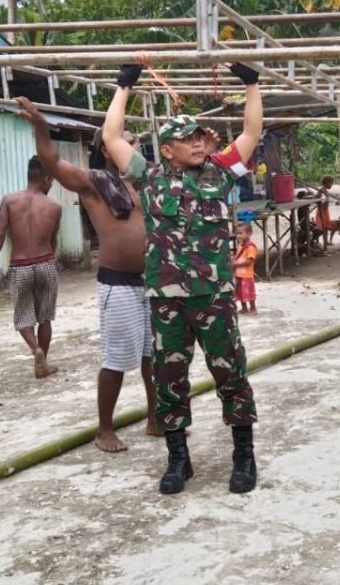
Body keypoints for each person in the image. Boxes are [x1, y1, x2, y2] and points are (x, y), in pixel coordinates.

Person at [103, 60, 262, 495]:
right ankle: (178, 459)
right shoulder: (149, 177)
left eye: (199, 136)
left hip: (213, 296)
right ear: (167, 149)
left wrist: (251, 84)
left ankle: (243, 456)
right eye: (186, 138)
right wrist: (124, 85)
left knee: (231, 372)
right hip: (167, 298)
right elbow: (111, 137)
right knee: (168, 379)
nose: (197, 143)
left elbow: (250, 135)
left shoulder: (220, 173)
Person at [12, 96, 160, 454]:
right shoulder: (94, 182)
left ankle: (157, 417)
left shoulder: (143, 182)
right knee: (117, 360)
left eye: (134, 140)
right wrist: (40, 126)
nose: (134, 145)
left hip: (153, 281)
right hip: (119, 283)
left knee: (153, 357)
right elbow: (51, 161)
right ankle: (104, 428)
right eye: (126, 139)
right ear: (107, 149)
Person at [0, 156, 62, 378]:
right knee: (45, 318)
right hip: (46, 263)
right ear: (46, 179)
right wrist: (49, 260)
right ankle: (43, 364)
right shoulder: (54, 207)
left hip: (20, 266)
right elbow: (53, 241)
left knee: (23, 316)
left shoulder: (9, 200)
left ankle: (35, 349)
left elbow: (0, 234)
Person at [233, 224, 259, 314]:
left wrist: (236, 264)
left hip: (247, 274)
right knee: (240, 292)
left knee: (249, 292)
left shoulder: (250, 247)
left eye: (240, 233)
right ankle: (244, 308)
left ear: (249, 233)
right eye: (237, 233)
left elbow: (250, 261)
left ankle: (253, 308)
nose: (238, 236)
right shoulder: (240, 246)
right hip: (238, 273)